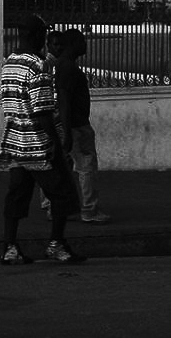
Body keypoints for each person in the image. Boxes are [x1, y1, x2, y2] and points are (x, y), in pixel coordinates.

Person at [0, 15, 86, 265]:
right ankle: (56, 244)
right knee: (62, 194)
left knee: (16, 195)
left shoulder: (9, 63)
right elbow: (42, 111)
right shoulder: (38, 66)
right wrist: (58, 143)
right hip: (38, 143)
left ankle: (9, 247)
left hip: (14, 141)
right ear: (37, 36)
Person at [56, 27, 110, 223]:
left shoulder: (63, 66)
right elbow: (64, 99)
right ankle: (89, 209)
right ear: (73, 45)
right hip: (77, 126)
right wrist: (68, 130)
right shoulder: (69, 68)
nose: (85, 45)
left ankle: (58, 208)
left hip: (71, 125)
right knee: (86, 166)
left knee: (64, 168)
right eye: (82, 41)